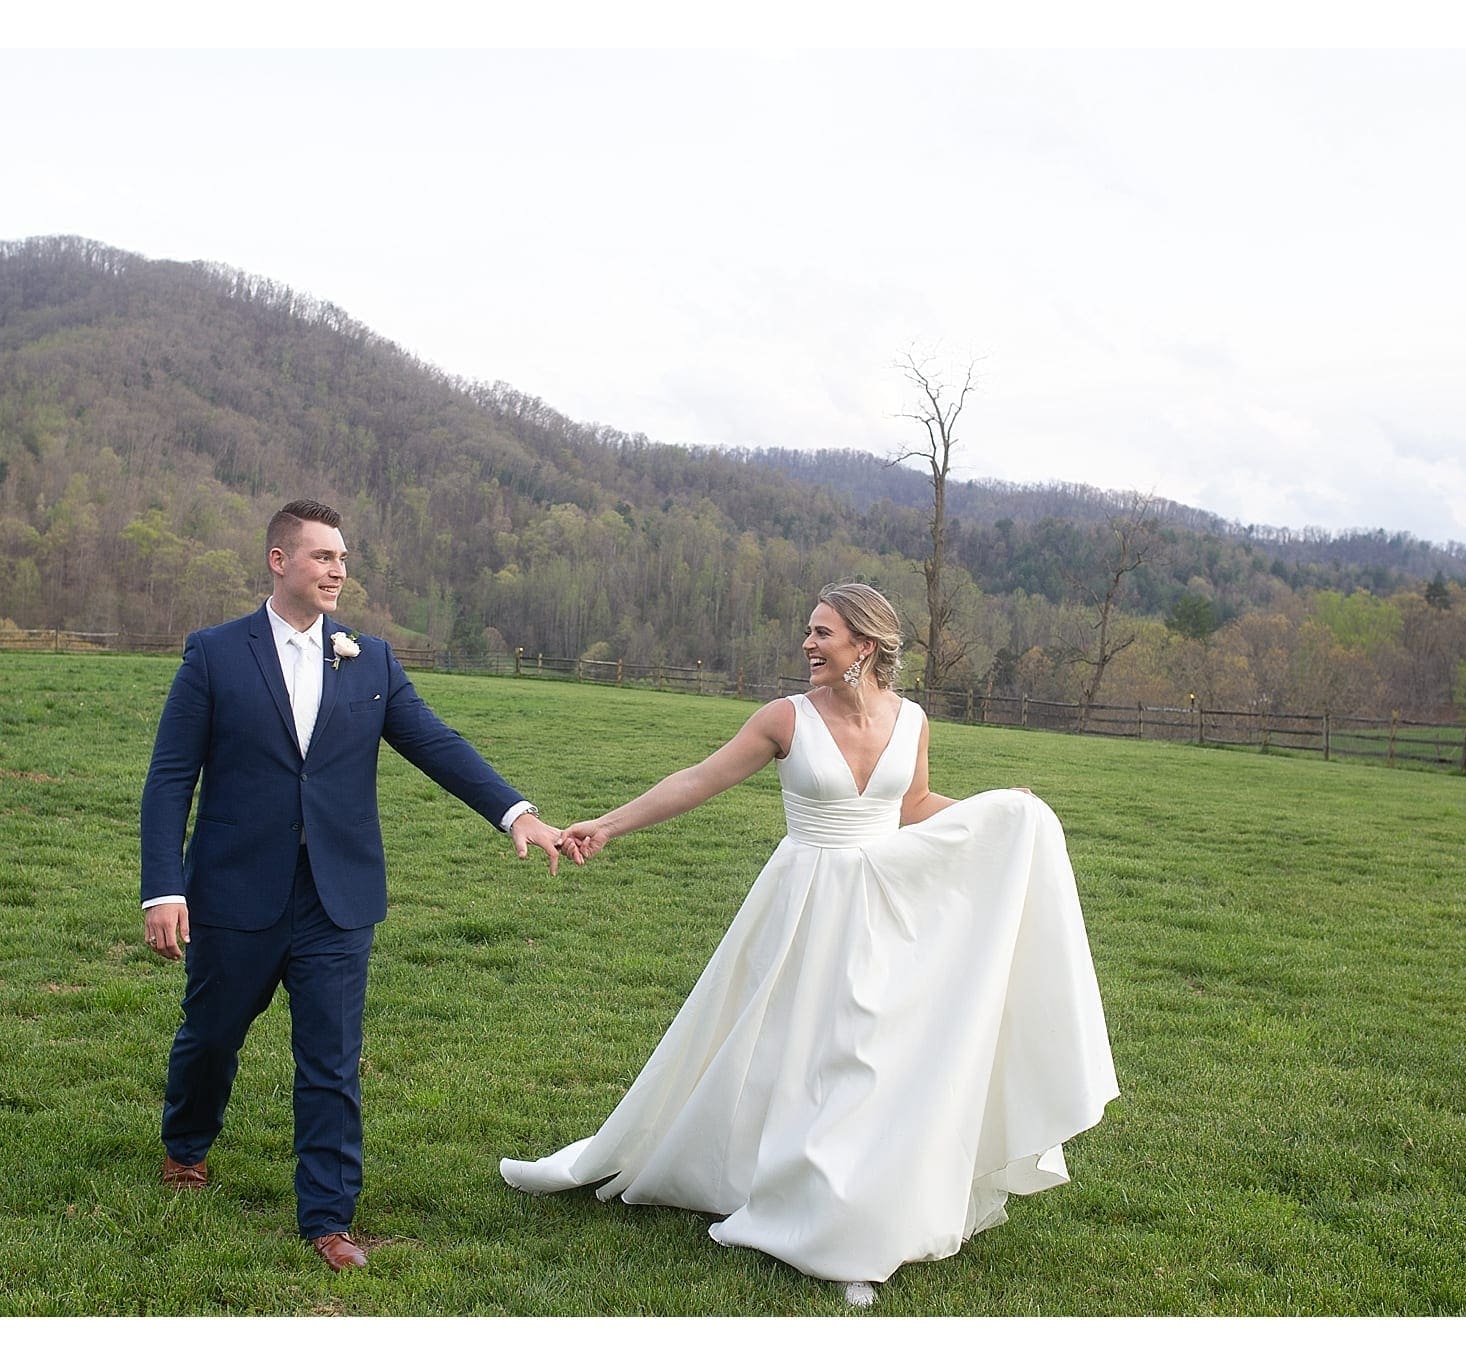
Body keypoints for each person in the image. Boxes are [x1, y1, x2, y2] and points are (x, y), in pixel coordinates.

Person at [501, 582, 1117, 1306]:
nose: (807, 645)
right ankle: (785, 1189)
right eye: (808, 632)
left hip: (887, 902)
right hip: (804, 903)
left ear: (864, 644)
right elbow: (700, 778)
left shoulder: (911, 720)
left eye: (822, 633)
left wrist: (1005, 816)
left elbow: (912, 805)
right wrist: (607, 825)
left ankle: (850, 1218)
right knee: (795, 1053)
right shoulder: (785, 719)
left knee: (867, 1058)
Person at [142, 498, 575, 1272]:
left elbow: (436, 743)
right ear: (280, 561)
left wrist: (516, 814)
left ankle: (328, 1216)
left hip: (337, 899)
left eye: (342, 558)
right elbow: (172, 776)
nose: (338, 570)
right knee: (211, 1035)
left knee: (332, 1060)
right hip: (235, 890)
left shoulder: (368, 659)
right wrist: (162, 887)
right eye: (322, 557)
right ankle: (186, 1143)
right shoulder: (212, 653)